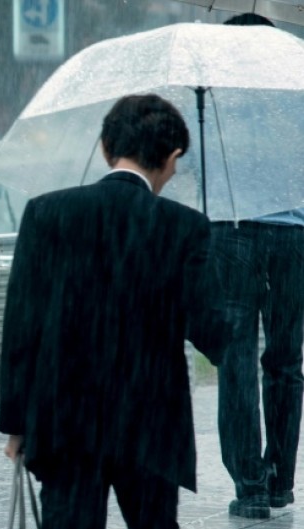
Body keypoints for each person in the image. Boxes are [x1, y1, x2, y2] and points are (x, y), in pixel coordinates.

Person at [0, 94, 232, 528]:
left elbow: (21, 329)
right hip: (150, 424)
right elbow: (213, 335)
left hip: (66, 422)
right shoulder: (184, 227)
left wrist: (18, 424)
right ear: (173, 156)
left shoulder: (48, 213)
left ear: (107, 148)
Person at [212, 12, 304, 521]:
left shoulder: (219, 96)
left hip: (234, 233)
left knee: (237, 360)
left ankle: (250, 485)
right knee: (286, 362)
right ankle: (281, 482)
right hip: (295, 236)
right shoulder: (297, 91)